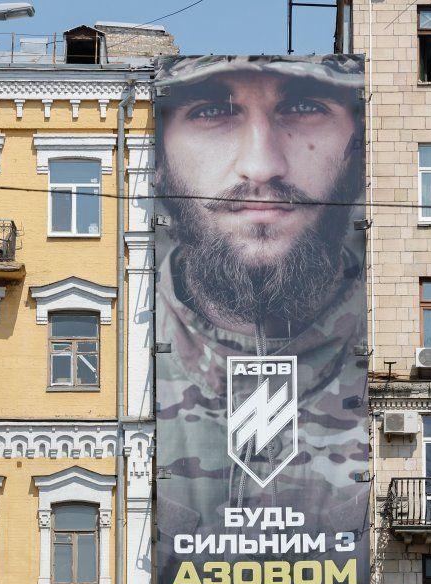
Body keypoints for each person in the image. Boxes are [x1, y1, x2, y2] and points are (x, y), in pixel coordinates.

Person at [154, 54, 368, 530]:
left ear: (357, 152)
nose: (261, 165)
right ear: (157, 161)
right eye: (211, 111)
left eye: (305, 107)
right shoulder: (126, 356)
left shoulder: (389, 337)